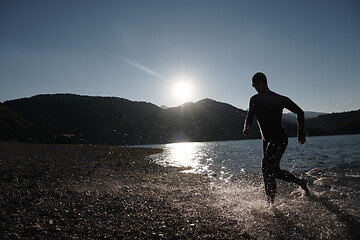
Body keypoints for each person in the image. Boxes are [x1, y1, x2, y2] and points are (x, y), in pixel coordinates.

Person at [243, 72, 310, 203]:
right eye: (253, 86)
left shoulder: (279, 99)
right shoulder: (254, 100)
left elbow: (300, 112)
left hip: (279, 139)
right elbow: (249, 116)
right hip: (266, 141)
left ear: (264, 83)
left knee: (266, 168)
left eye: (257, 85)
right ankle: (300, 182)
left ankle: (270, 204)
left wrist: (300, 133)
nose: (255, 88)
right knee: (273, 170)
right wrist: (246, 127)